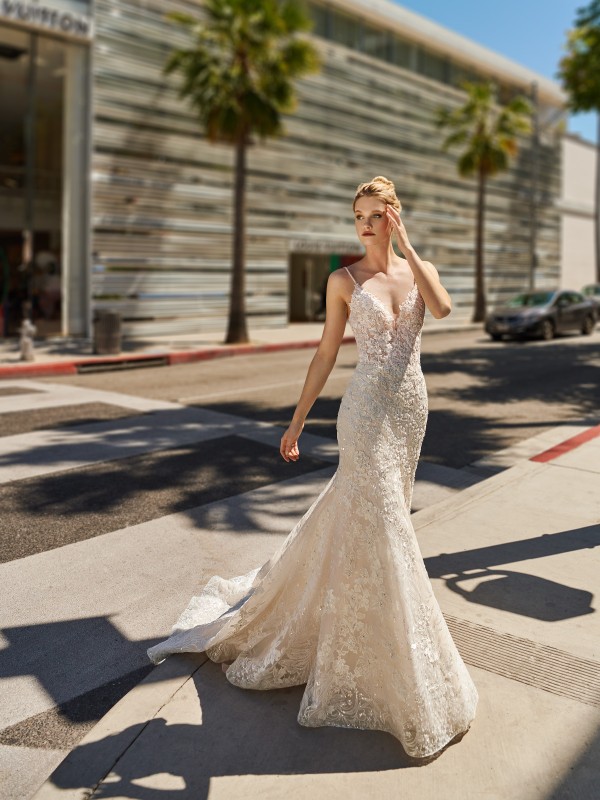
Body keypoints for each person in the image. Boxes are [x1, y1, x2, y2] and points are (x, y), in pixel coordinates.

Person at [147, 176, 478, 760]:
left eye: (375, 215)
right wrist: (297, 421)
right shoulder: (343, 280)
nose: (365, 225)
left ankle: (370, 637)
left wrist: (410, 248)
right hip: (364, 413)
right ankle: (406, 666)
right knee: (389, 529)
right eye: (359, 216)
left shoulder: (414, 270)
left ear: (394, 217)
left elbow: (446, 308)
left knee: (382, 527)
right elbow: (327, 352)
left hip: (410, 414)